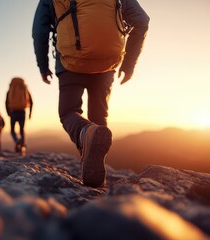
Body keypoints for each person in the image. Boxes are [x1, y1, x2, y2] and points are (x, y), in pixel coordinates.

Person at [32, 0, 149, 187]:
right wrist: (129, 64)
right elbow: (142, 20)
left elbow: (40, 30)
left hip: (70, 63)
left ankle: (85, 134)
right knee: (99, 117)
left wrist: (43, 66)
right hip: (107, 63)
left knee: (69, 112)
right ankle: (94, 170)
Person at [5, 77, 33, 154]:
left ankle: (17, 141)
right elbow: (31, 101)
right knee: (22, 130)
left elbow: (6, 102)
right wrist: (30, 113)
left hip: (13, 112)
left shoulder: (10, 90)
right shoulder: (24, 89)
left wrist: (8, 112)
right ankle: (22, 146)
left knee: (12, 130)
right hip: (22, 112)